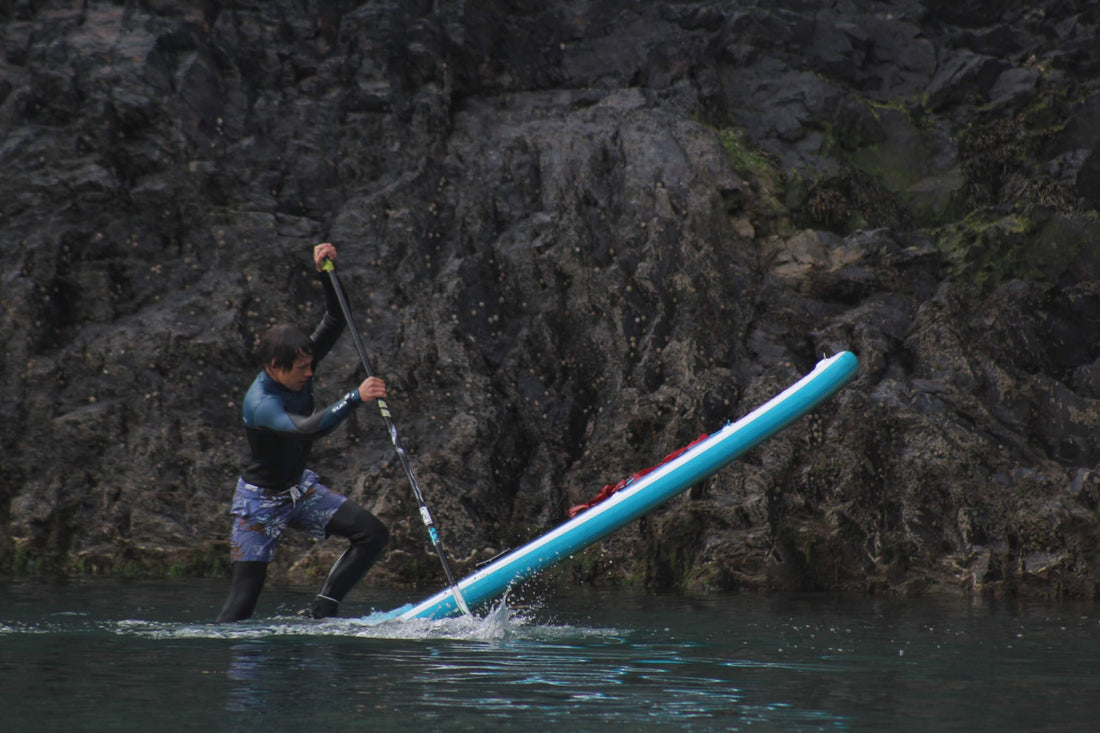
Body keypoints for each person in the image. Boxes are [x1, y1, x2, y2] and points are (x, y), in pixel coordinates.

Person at [217, 242, 390, 622]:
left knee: (372, 534)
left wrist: (325, 273)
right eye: (301, 370)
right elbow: (307, 430)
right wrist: (354, 397)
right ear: (275, 367)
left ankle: (321, 612)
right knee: (242, 602)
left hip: (301, 490)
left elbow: (335, 318)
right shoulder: (261, 403)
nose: (310, 374)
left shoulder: (299, 362)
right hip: (259, 504)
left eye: (311, 365)